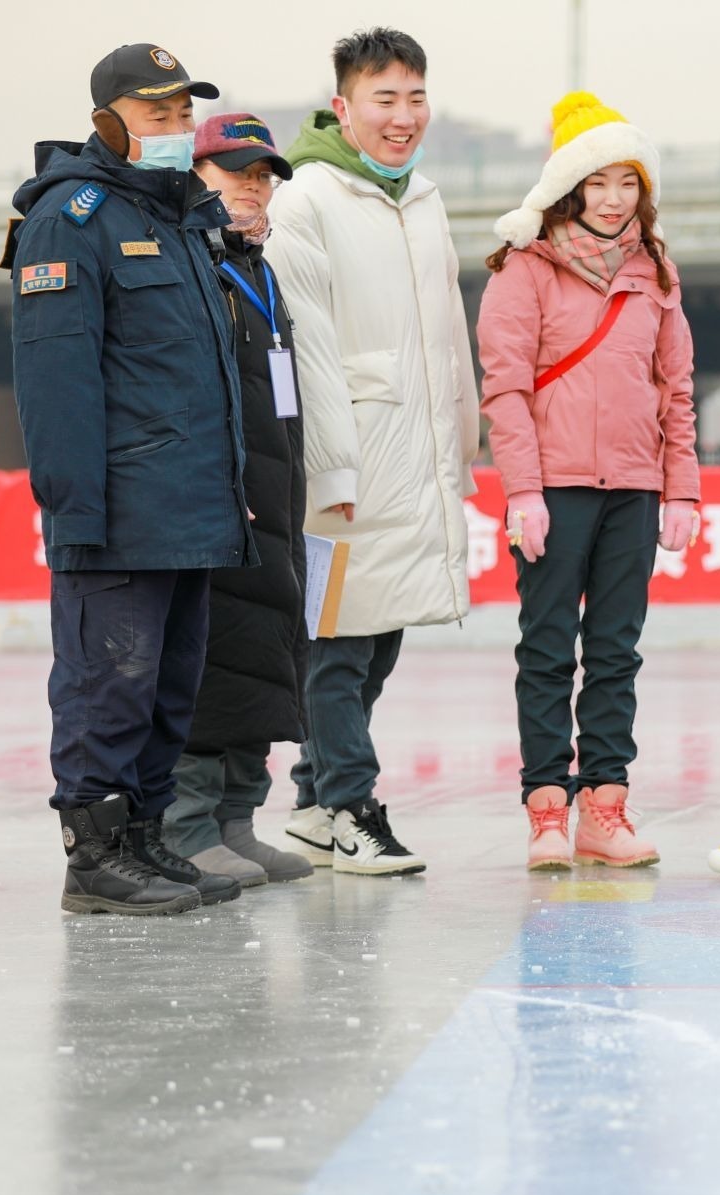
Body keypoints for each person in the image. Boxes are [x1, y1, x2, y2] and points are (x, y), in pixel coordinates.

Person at [11, 43, 250, 915]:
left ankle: (144, 837)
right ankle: (95, 856)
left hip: (188, 508)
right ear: (108, 121)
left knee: (166, 689)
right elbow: (56, 379)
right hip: (116, 511)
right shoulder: (68, 221)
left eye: (186, 113)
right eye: (159, 114)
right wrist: (75, 513)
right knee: (106, 686)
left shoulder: (184, 218)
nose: (178, 130)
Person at [267, 28, 480, 877]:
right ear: (344, 107)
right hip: (349, 457)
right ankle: (352, 805)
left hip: (415, 459)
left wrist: (460, 446)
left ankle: (317, 803)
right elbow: (307, 343)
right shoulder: (306, 199)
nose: (403, 117)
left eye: (415, 97)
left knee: (381, 639)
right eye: (384, 100)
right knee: (337, 642)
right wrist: (333, 464)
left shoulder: (420, 198)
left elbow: (449, 337)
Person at [478, 93, 699, 871]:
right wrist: (523, 491)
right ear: (568, 188)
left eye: (628, 183)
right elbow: (505, 388)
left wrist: (682, 487)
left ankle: (605, 810)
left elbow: (674, 387)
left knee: (614, 652)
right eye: (597, 182)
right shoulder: (524, 270)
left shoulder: (656, 273)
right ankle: (547, 811)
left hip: (633, 490)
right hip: (556, 488)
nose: (613, 199)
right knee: (546, 650)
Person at [157, 113, 317, 889]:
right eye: (235, 174)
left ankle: (235, 821)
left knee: (262, 658)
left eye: (262, 176)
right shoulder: (191, 265)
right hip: (222, 500)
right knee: (214, 663)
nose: (252, 189)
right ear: (198, 181)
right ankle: (186, 827)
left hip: (275, 493)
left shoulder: (258, 268)